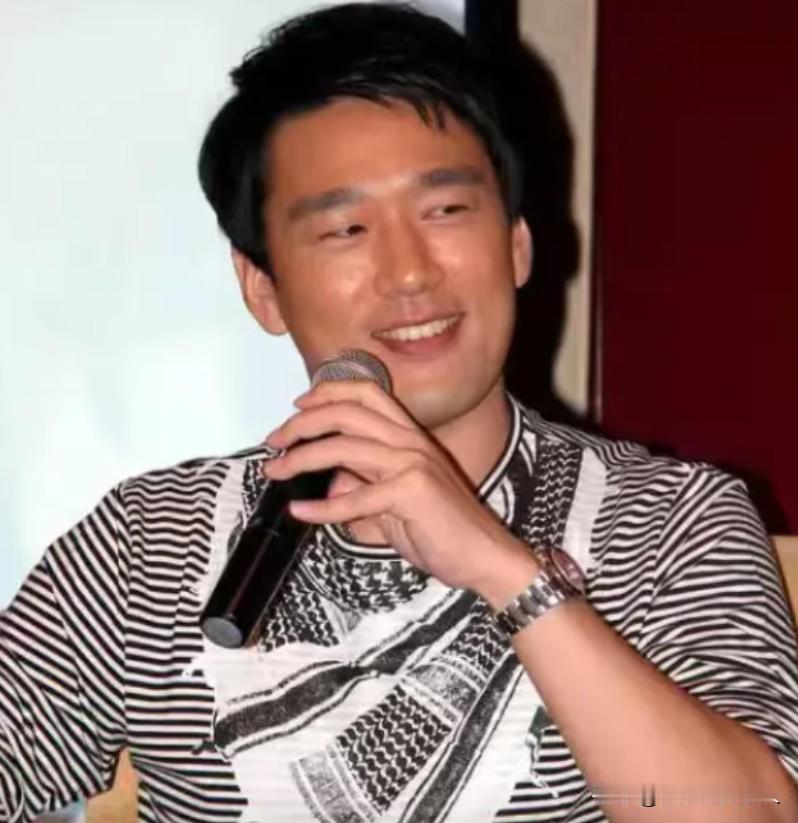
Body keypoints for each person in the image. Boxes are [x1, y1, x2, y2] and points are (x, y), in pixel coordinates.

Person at [1, 4, 797, 822]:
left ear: (517, 243)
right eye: (346, 228)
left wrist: (503, 569)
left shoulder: (672, 518)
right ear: (262, 287)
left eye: (445, 211)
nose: (410, 273)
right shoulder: (152, 540)